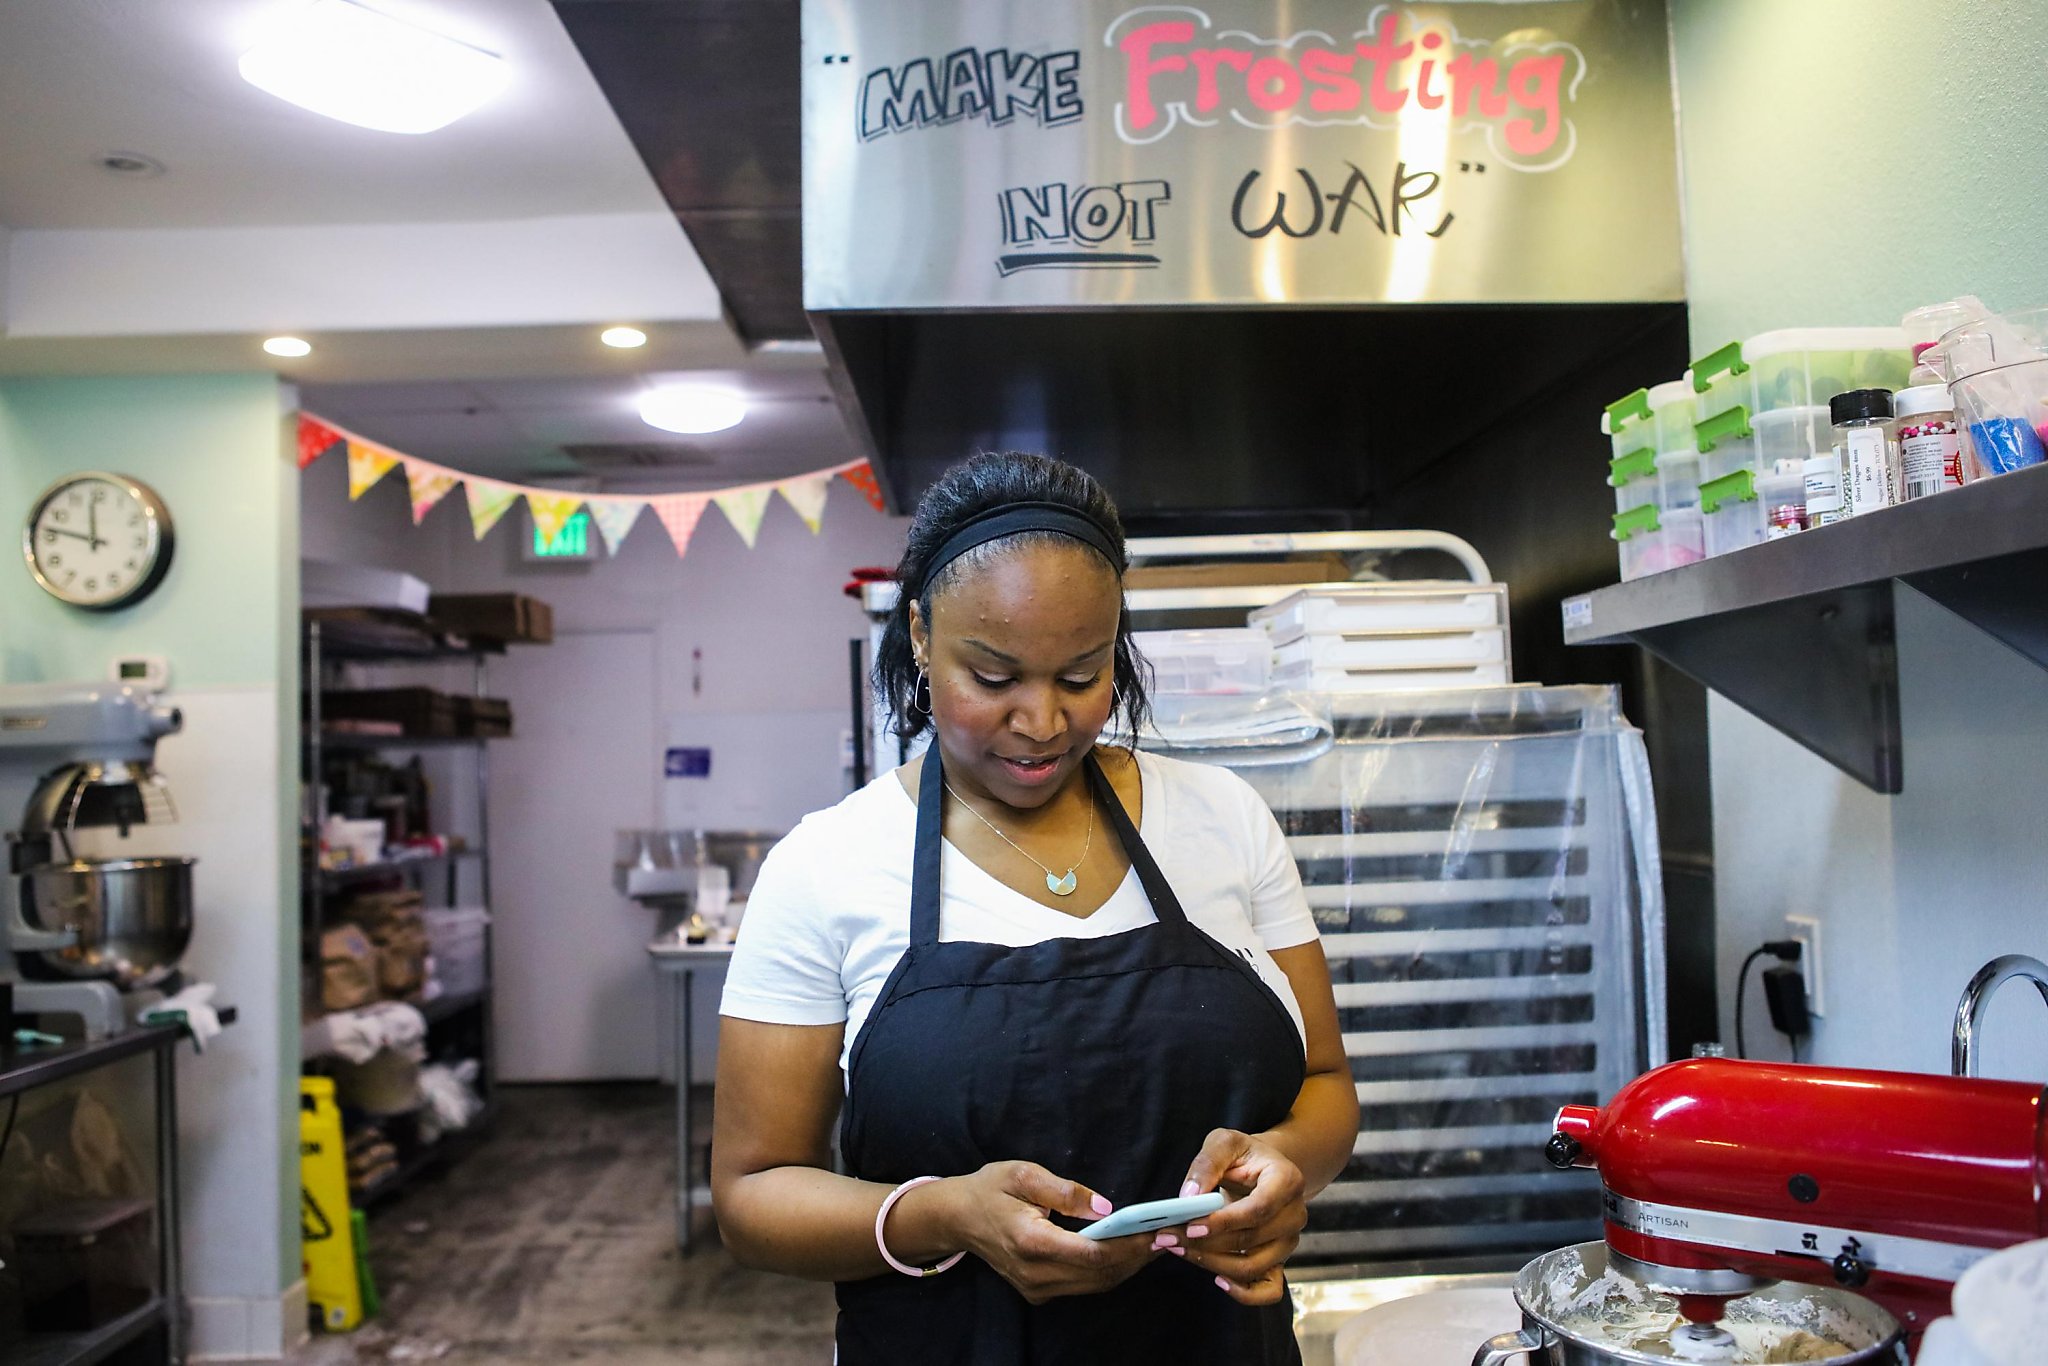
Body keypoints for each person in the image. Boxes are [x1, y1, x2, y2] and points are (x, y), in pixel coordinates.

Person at [712, 452, 1357, 1364]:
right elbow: (751, 1196)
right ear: (923, 637)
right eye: (995, 676)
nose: (1043, 721)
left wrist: (1282, 1169)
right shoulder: (824, 865)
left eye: (1082, 674)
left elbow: (1326, 1086)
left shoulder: (1224, 816)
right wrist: (940, 1214)